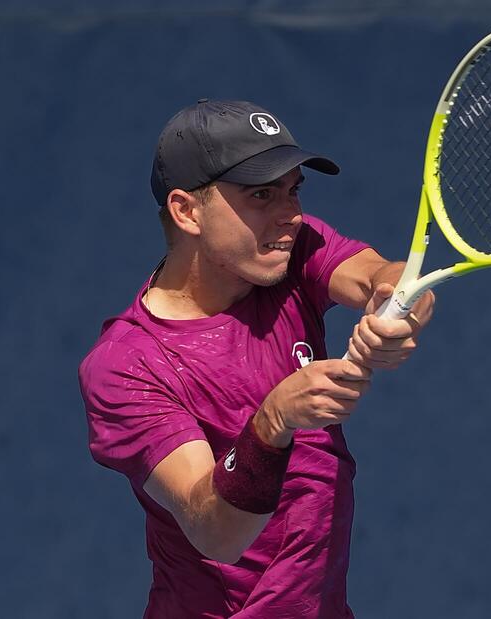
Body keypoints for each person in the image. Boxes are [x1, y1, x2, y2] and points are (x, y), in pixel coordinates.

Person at [78, 99, 434, 618]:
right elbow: (215, 530)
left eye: (293, 190)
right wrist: (274, 420)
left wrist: (399, 308)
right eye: (261, 194)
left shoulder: (291, 253)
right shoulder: (125, 365)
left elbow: (387, 275)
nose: (290, 214)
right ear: (186, 211)